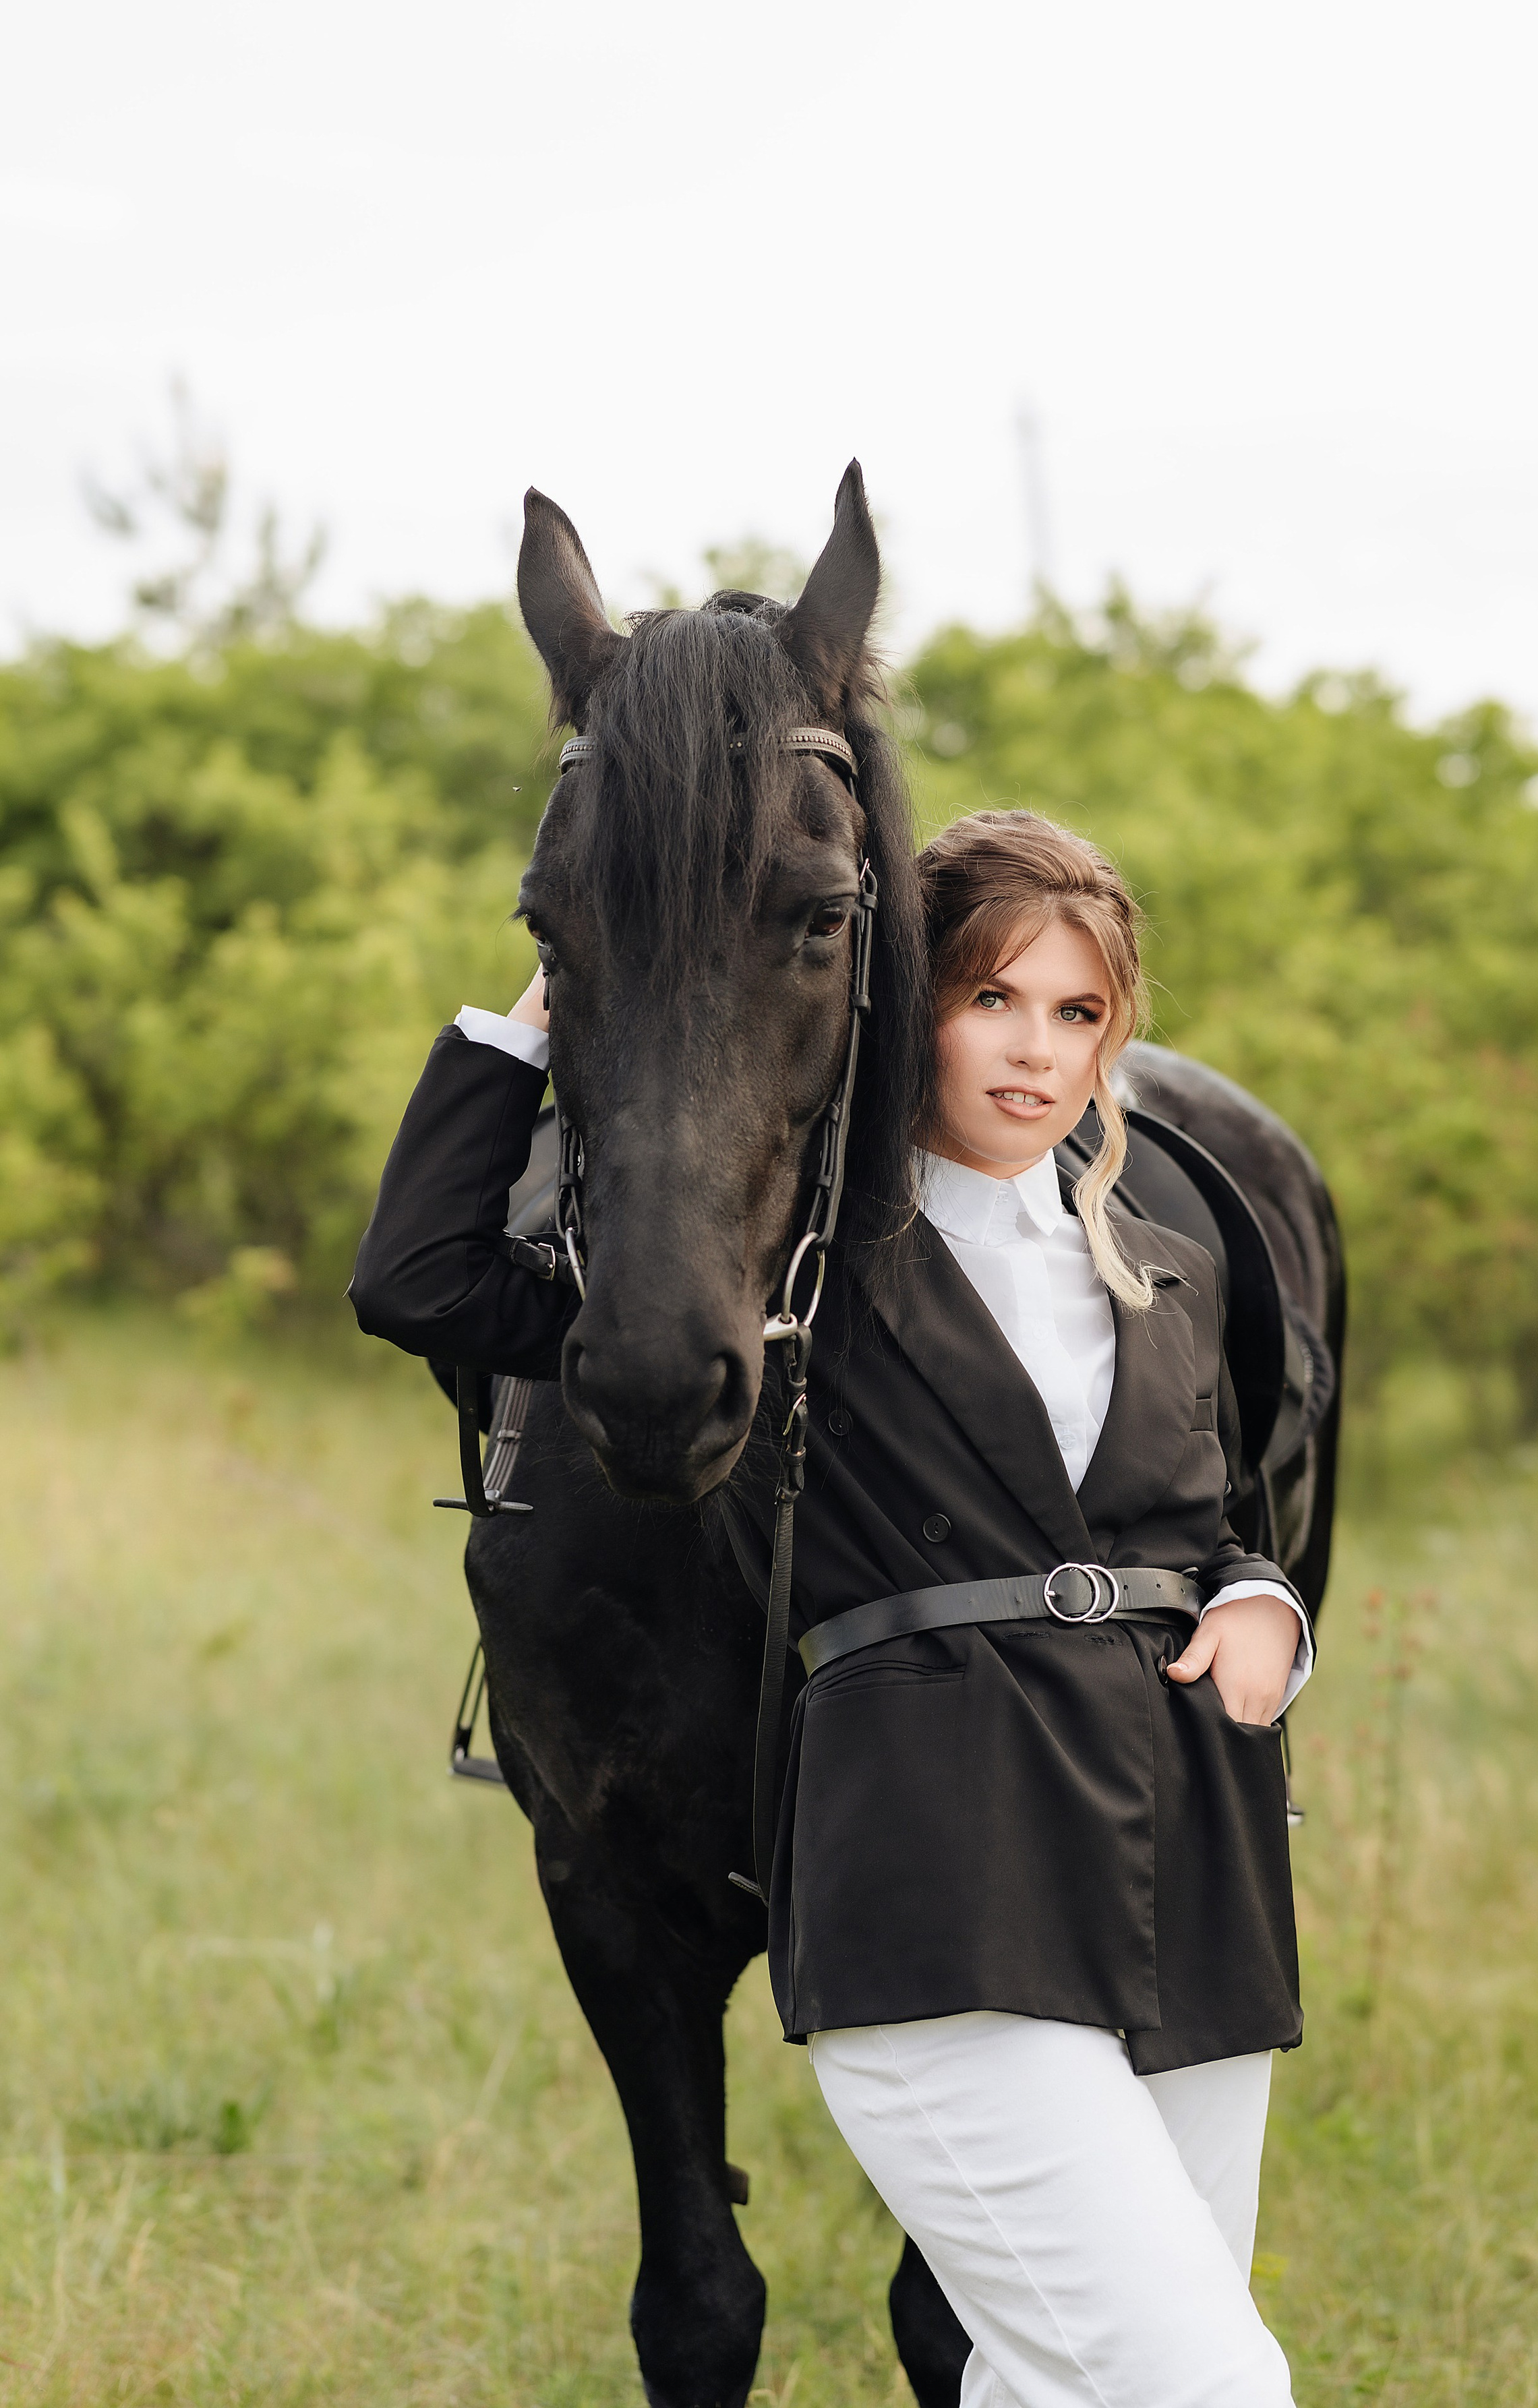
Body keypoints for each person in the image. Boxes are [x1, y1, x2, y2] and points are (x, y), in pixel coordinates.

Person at [353, 806, 1310, 2408]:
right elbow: (422, 1282)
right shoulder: (797, 1279)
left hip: (1188, 1877)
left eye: (1076, 1013)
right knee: (1203, 2385)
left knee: (1051, 2378)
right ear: (889, 1006)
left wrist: (1265, 1595)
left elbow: (1204, 1522)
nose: (1033, 1055)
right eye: (987, 1000)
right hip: (947, 1881)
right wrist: (557, 989)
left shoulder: (1163, 1262)